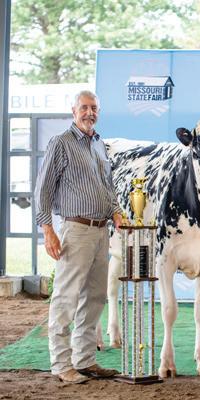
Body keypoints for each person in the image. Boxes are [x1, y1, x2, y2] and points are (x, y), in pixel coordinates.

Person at [34, 90, 122, 384]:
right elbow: (43, 190)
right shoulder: (61, 143)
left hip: (101, 231)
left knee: (95, 297)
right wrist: (48, 230)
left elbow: (108, 186)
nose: (89, 112)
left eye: (93, 108)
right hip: (76, 230)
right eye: (84, 107)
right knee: (66, 298)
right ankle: (61, 364)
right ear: (73, 111)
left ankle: (84, 360)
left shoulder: (99, 145)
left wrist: (116, 211)